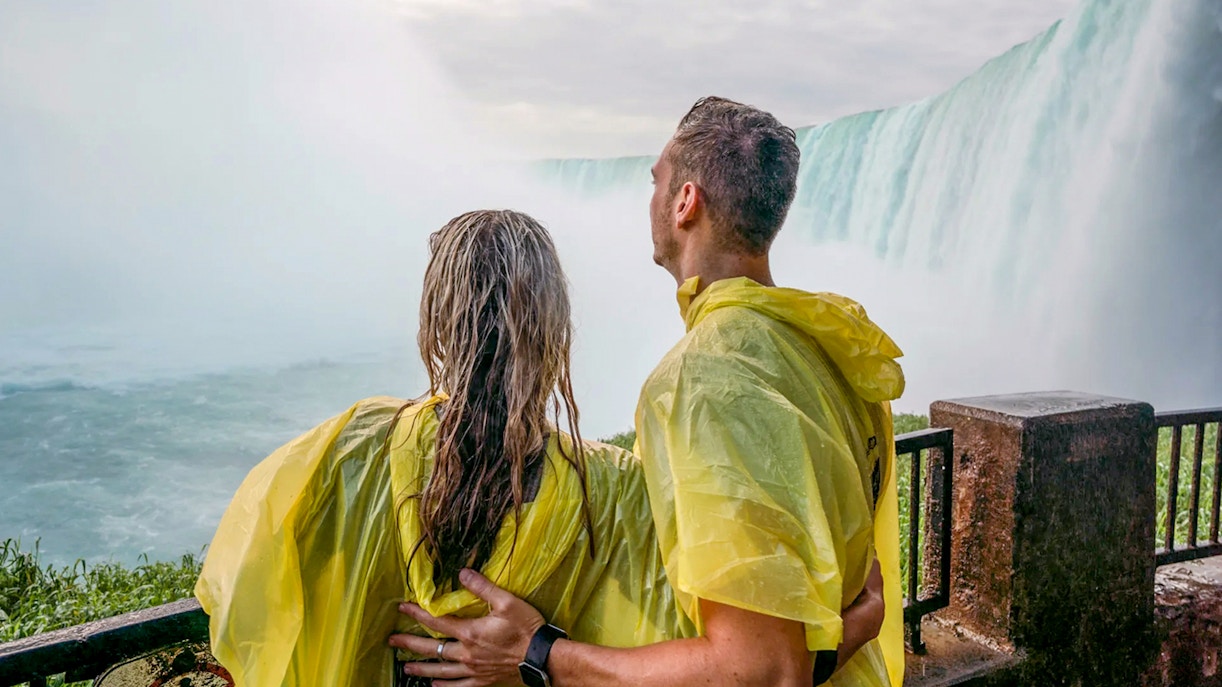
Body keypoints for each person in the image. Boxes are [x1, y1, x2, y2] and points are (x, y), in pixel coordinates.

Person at [194, 209, 886, 687]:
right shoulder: (611, 493)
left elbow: (253, 605)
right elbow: (730, 665)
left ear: (437, 326)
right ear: (555, 332)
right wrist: (848, 632)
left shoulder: (347, 453)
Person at [392, 97, 907, 687]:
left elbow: (762, 670)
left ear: (685, 202)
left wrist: (537, 655)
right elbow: (837, 570)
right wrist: (860, 622)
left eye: (656, 181)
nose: (651, 197)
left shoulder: (705, 381)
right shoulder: (831, 350)